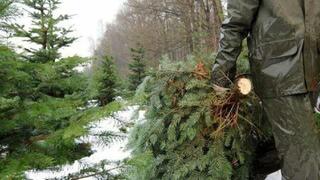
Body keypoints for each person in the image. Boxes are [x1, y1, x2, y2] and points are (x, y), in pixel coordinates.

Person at [210, 0, 320, 179]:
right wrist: (222, 73)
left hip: (311, 72)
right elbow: (236, 20)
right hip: (280, 72)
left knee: (303, 154)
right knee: (304, 163)